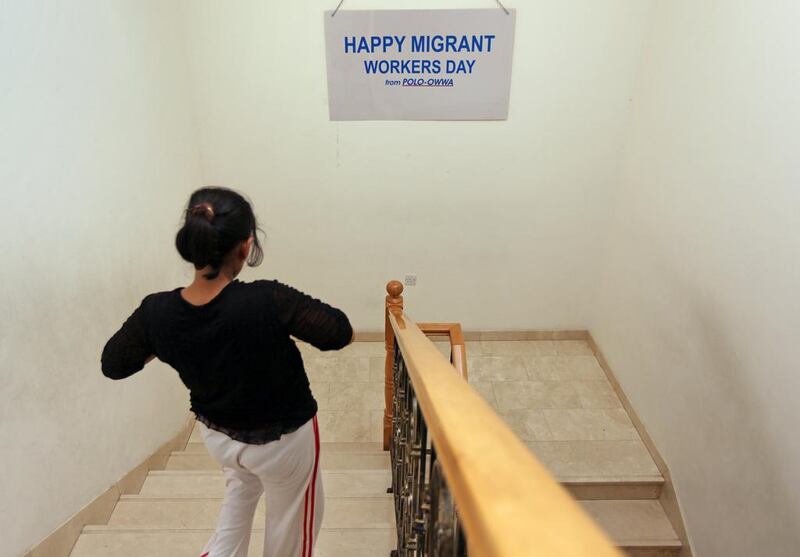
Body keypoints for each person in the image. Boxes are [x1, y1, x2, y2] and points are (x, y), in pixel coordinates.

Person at [101, 186, 353, 557]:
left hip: (220, 439)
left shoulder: (157, 312)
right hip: (283, 446)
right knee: (290, 531)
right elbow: (339, 332)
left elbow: (113, 364)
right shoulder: (265, 300)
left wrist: (163, 342)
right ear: (246, 246)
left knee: (239, 497)